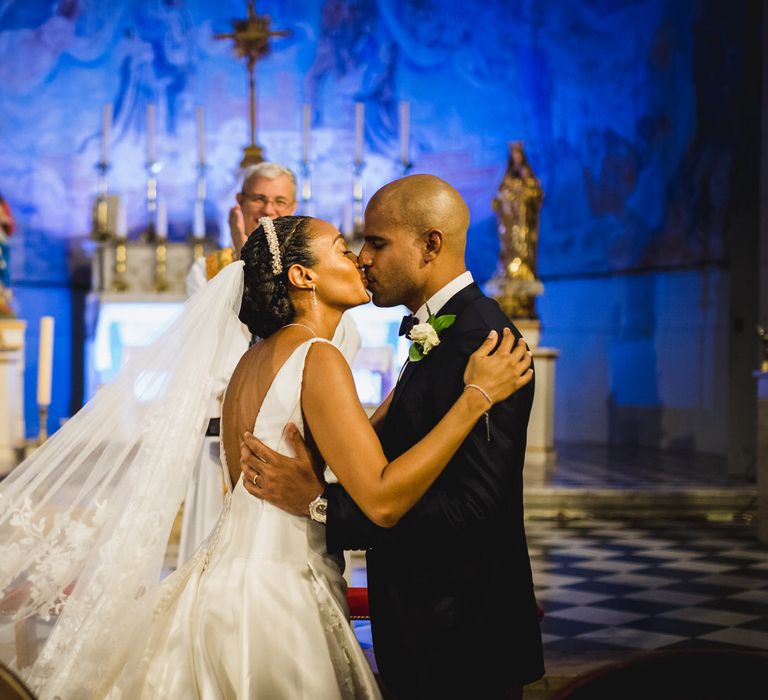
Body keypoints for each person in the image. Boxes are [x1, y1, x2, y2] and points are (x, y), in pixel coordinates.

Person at [0, 214, 532, 699]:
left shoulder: (255, 359)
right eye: (344, 250)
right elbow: (385, 500)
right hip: (275, 595)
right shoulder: (318, 357)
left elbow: (331, 443)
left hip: (226, 577)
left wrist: (400, 395)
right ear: (304, 277)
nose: (360, 261)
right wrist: (474, 399)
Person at [240, 175, 546, 699]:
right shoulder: (439, 334)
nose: (362, 258)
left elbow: (472, 510)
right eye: (355, 245)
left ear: (431, 245)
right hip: (419, 624)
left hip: (463, 635)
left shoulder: (486, 344)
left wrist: (323, 506)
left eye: (376, 243)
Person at [178, 162, 360, 566]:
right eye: (259, 199)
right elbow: (218, 347)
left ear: (294, 206)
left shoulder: (318, 296)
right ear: (239, 205)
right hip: (229, 430)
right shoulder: (211, 270)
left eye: (280, 201)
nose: (268, 209)